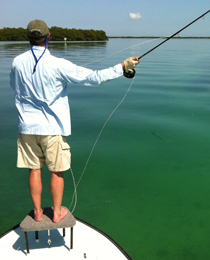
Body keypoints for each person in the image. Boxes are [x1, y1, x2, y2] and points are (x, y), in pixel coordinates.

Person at [10, 19, 139, 223]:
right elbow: (94, 78)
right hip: (52, 129)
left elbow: (13, 85)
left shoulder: (16, 62)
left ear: (27, 38)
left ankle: (37, 212)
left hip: (26, 127)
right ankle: (57, 212)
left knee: (34, 169)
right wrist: (122, 66)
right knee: (56, 171)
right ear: (49, 37)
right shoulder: (58, 64)